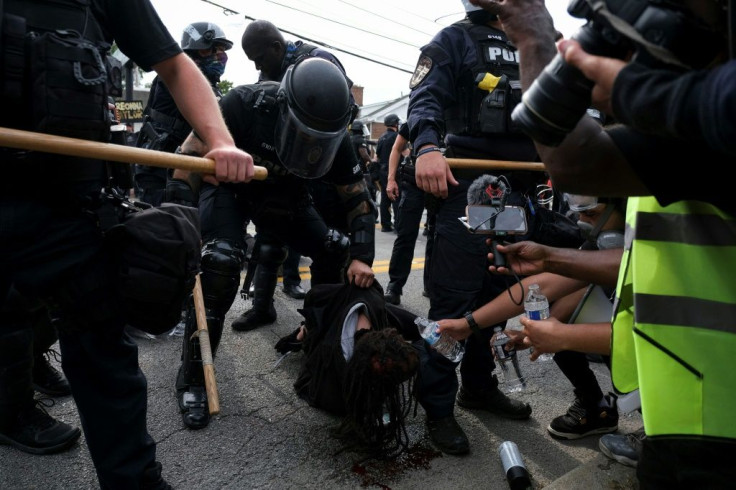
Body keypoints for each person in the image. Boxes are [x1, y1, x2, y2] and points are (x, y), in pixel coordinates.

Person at [470, 0, 736, 486]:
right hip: (690, 421)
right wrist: (551, 257)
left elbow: (573, 157)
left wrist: (534, 39)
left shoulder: (710, 128)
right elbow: (655, 264)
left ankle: (596, 407)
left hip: (716, 431)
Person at [0, 0, 253, 487]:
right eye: (212, 49)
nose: (217, 58)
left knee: (103, 353)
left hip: (69, 203)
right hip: (138, 175)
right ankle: (14, 404)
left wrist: (217, 139)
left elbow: (174, 64)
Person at [168, 56, 377, 430]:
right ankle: (194, 375)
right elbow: (186, 163)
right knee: (220, 262)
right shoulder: (243, 105)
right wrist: (182, 224)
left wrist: (361, 256)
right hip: (230, 192)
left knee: (335, 249)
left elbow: (358, 201)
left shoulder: (340, 137)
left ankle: (315, 339)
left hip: (287, 198)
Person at [404, 0, 548, 454]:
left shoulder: (530, 41)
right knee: (453, 298)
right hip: (469, 187)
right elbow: (424, 97)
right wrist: (426, 146)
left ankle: (480, 389)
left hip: (521, 191)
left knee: (496, 296)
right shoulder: (453, 40)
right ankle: (439, 409)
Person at [439, 194, 626, 441]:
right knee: (553, 310)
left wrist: (562, 337)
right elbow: (547, 286)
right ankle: (598, 405)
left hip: (677, 384)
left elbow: (652, 337)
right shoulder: (607, 242)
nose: (581, 222)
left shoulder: (664, 250)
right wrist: (468, 324)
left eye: (591, 214)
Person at [234, 19, 361, 330]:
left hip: (323, 166)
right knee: (269, 236)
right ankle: (263, 307)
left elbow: (342, 113)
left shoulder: (320, 64)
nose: (257, 67)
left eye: (260, 58)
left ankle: (319, 320)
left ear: (276, 48)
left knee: (330, 245)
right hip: (285, 166)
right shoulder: (269, 74)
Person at [275, 281, 420, 458]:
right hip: (320, 330)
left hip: (339, 305)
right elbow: (307, 384)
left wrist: (438, 334)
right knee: (308, 336)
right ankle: (303, 331)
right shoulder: (330, 381)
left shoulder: (378, 311)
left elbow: (420, 326)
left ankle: (305, 330)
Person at [133, 22, 233, 207]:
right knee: (163, 227)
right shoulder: (175, 79)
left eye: (221, 50)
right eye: (210, 50)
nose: (219, 56)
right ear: (193, 53)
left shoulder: (211, 88)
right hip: (159, 170)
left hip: (186, 171)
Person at [383, 121, 435, 305]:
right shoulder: (418, 115)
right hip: (414, 181)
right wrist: (390, 180)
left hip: (442, 182)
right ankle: (394, 287)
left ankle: (432, 286)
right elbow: (397, 148)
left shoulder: (454, 112)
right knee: (405, 236)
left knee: (438, 237)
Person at [375, 114, 401, 232]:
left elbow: (377, 157)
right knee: (396, 196)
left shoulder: (382, 137)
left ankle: (385, 225)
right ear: (395, 123)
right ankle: (397, 225)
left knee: (385, 197)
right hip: (394, 171)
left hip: (382, 171)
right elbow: (405, 153)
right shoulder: (397, 136)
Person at [350, 119, 379, 204]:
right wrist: (372, 163)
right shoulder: (360, 140)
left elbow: (369, 142)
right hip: (361, 170)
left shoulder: (350, 138)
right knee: (369, 187)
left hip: (352, 168)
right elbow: (364, 155)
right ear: (361, 129)